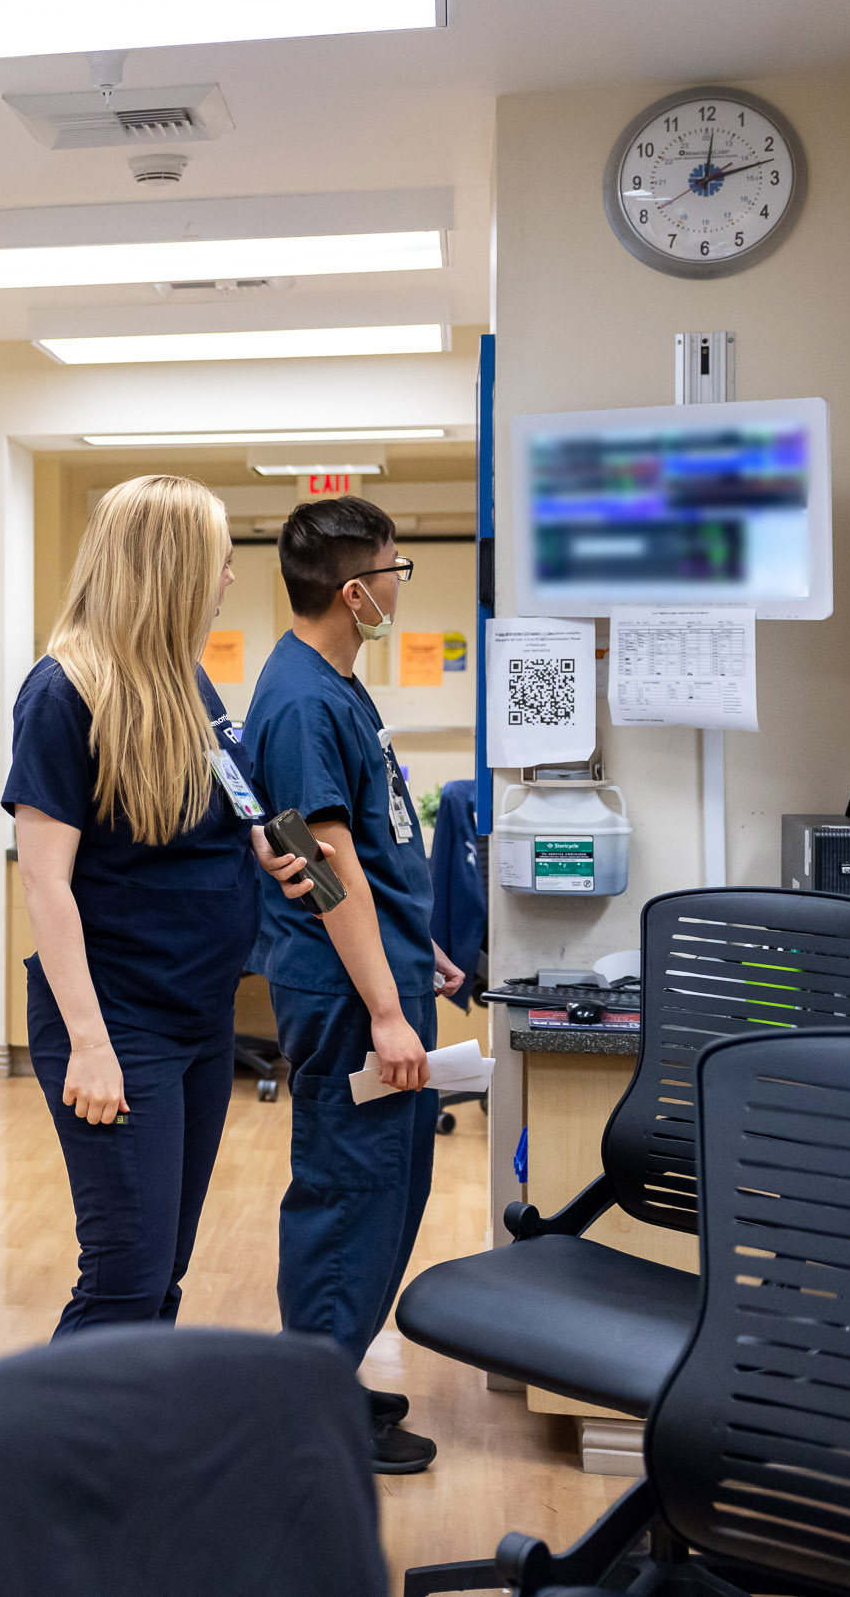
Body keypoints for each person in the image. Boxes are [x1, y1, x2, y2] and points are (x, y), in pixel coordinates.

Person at [3, 476, 313, 1340]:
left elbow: (222, 796)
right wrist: (93, 1047)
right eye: (218, 561)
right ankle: (56, 1472)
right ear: (171, 570)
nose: (228, 578)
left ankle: (131, 1459)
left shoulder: (185, 681)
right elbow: (45, 883)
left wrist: (262, 844)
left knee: (163, 1271)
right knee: (123, 1280)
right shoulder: (62, 692)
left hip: (198, 1014)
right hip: (117, 1023)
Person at [243, 497, 465, 1475]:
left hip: (383, 970)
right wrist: (383, 1005)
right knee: (348, 1192)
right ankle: (306, 1419)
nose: (395, 585)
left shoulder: (333, 684)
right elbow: (323, 862)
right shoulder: (297, 699)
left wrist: (420, 954)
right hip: (344, 995)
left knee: (387, 1190)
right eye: (391, 570)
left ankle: (326, 1389)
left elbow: (370, 843)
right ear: (353, 591)